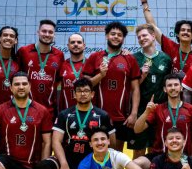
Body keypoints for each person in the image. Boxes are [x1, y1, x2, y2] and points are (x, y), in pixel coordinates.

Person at [52, 78, 115, 169]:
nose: (83, 94)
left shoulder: (102, 115)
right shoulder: (65, 114)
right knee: (45, 167)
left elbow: (112, 142)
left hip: (90, 161)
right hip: (69, 159)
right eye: (79, 91)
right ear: (74, 94)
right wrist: (63, 163)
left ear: (92, 94)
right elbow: (56, 141)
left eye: (86, 91)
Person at [82, 21, 141, 152]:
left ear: (123, 38)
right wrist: (101, 75)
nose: (116, 37)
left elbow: (136, 88)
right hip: (95, 115)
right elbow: (84, 87)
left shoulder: (129, 59)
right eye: (112, 34)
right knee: (94, 152)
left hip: (120, 117)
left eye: (119, 35)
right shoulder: (94, 57)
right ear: (106, 36)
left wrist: (134, 113)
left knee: (116, 155)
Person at [134, 73, 192, 169]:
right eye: (169, 85)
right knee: (135, 164)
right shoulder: (158, 109)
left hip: (183, 157)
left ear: (181, 88)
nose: (173, 88)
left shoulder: (191, 110)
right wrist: (146, 112)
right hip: (159, 156)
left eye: (176, 85)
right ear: (165, 89)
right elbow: (137, 129)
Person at [139, 0, 192, 77]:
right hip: (171, 90)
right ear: (177, 34)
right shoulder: (171, 47)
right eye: (182, 30)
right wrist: (144, 2)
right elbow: (152, 26)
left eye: (189, 31)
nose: (185, 32)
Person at [129, 23, 173, 159]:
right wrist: (142, 76)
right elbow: (131, 88)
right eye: (139, 37)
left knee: (156, 150)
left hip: (160, 109)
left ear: (153, 36)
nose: (142, 38)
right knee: (138, 151)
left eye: (144, 35)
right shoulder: (133, 58)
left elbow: (170, 85)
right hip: (141, 109)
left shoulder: (165, 59)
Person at [17, 19, 64, 121]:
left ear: (54, 35)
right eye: (44, 31)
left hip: (49, 110)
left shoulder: (59, 55)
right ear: (38, 32)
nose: (47, 34)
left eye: (50, 32)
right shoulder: (24, 52)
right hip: (25, 108)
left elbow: (59, 81)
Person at [57, 33, 86, 110]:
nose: (76, 44)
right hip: (66, 111)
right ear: (68, 46)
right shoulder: (62, 65)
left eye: (79, 42)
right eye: (73, 42)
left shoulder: (90, 64)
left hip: (87, 112)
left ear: (84, 45)